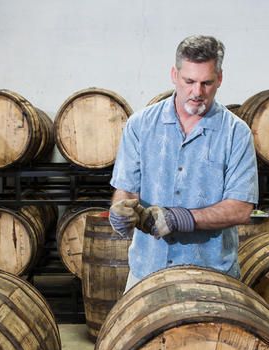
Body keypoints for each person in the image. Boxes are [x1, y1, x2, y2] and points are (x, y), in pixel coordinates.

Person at [109, 34, 258, 292]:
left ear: (220, 79)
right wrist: (120, 210)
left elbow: (240, 208)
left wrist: (181, 218)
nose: (197, 92)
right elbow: (127, 190)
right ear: (174, 74)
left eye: (206, 83)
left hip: (212, 277)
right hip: (147, 271)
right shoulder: (140, 125)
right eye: (189, 81)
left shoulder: (236, 132)